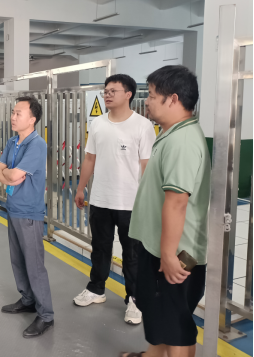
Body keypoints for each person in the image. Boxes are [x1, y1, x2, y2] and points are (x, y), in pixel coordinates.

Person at [121, 66, 211, 357]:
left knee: (176, 325)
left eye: (151, 95)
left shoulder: (182, 142)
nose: (146, 101)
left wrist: (169, 256)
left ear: (173, 99)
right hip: (160, 248)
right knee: (160, 314)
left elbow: (177, 202)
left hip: (174, 253)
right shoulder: (172, 133)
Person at [73, 74, 156, 325]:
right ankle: (96, 289)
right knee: (100, 248)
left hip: (131, 203)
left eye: (113, 91)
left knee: (133, 254)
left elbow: (146, 165)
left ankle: (135, 299)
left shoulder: (142, 125)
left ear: (128, 94)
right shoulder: (98, 123)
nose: (107, 95)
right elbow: (90, 158)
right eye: (106, 91)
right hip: (100, 199)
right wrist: (80, 188)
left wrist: (148, 199)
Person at [0, 96, 54, 339]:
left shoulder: (36, 145)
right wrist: (9, 175)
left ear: (32, 119)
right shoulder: (12, 141)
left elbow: (10, 173)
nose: (13, 116)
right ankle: (28, 300)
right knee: (17, 259)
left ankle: (46, 315)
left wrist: (8, 173)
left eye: (19, 113)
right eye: (13, 112)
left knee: (34, 265)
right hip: (13, 207)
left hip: (29, 212)